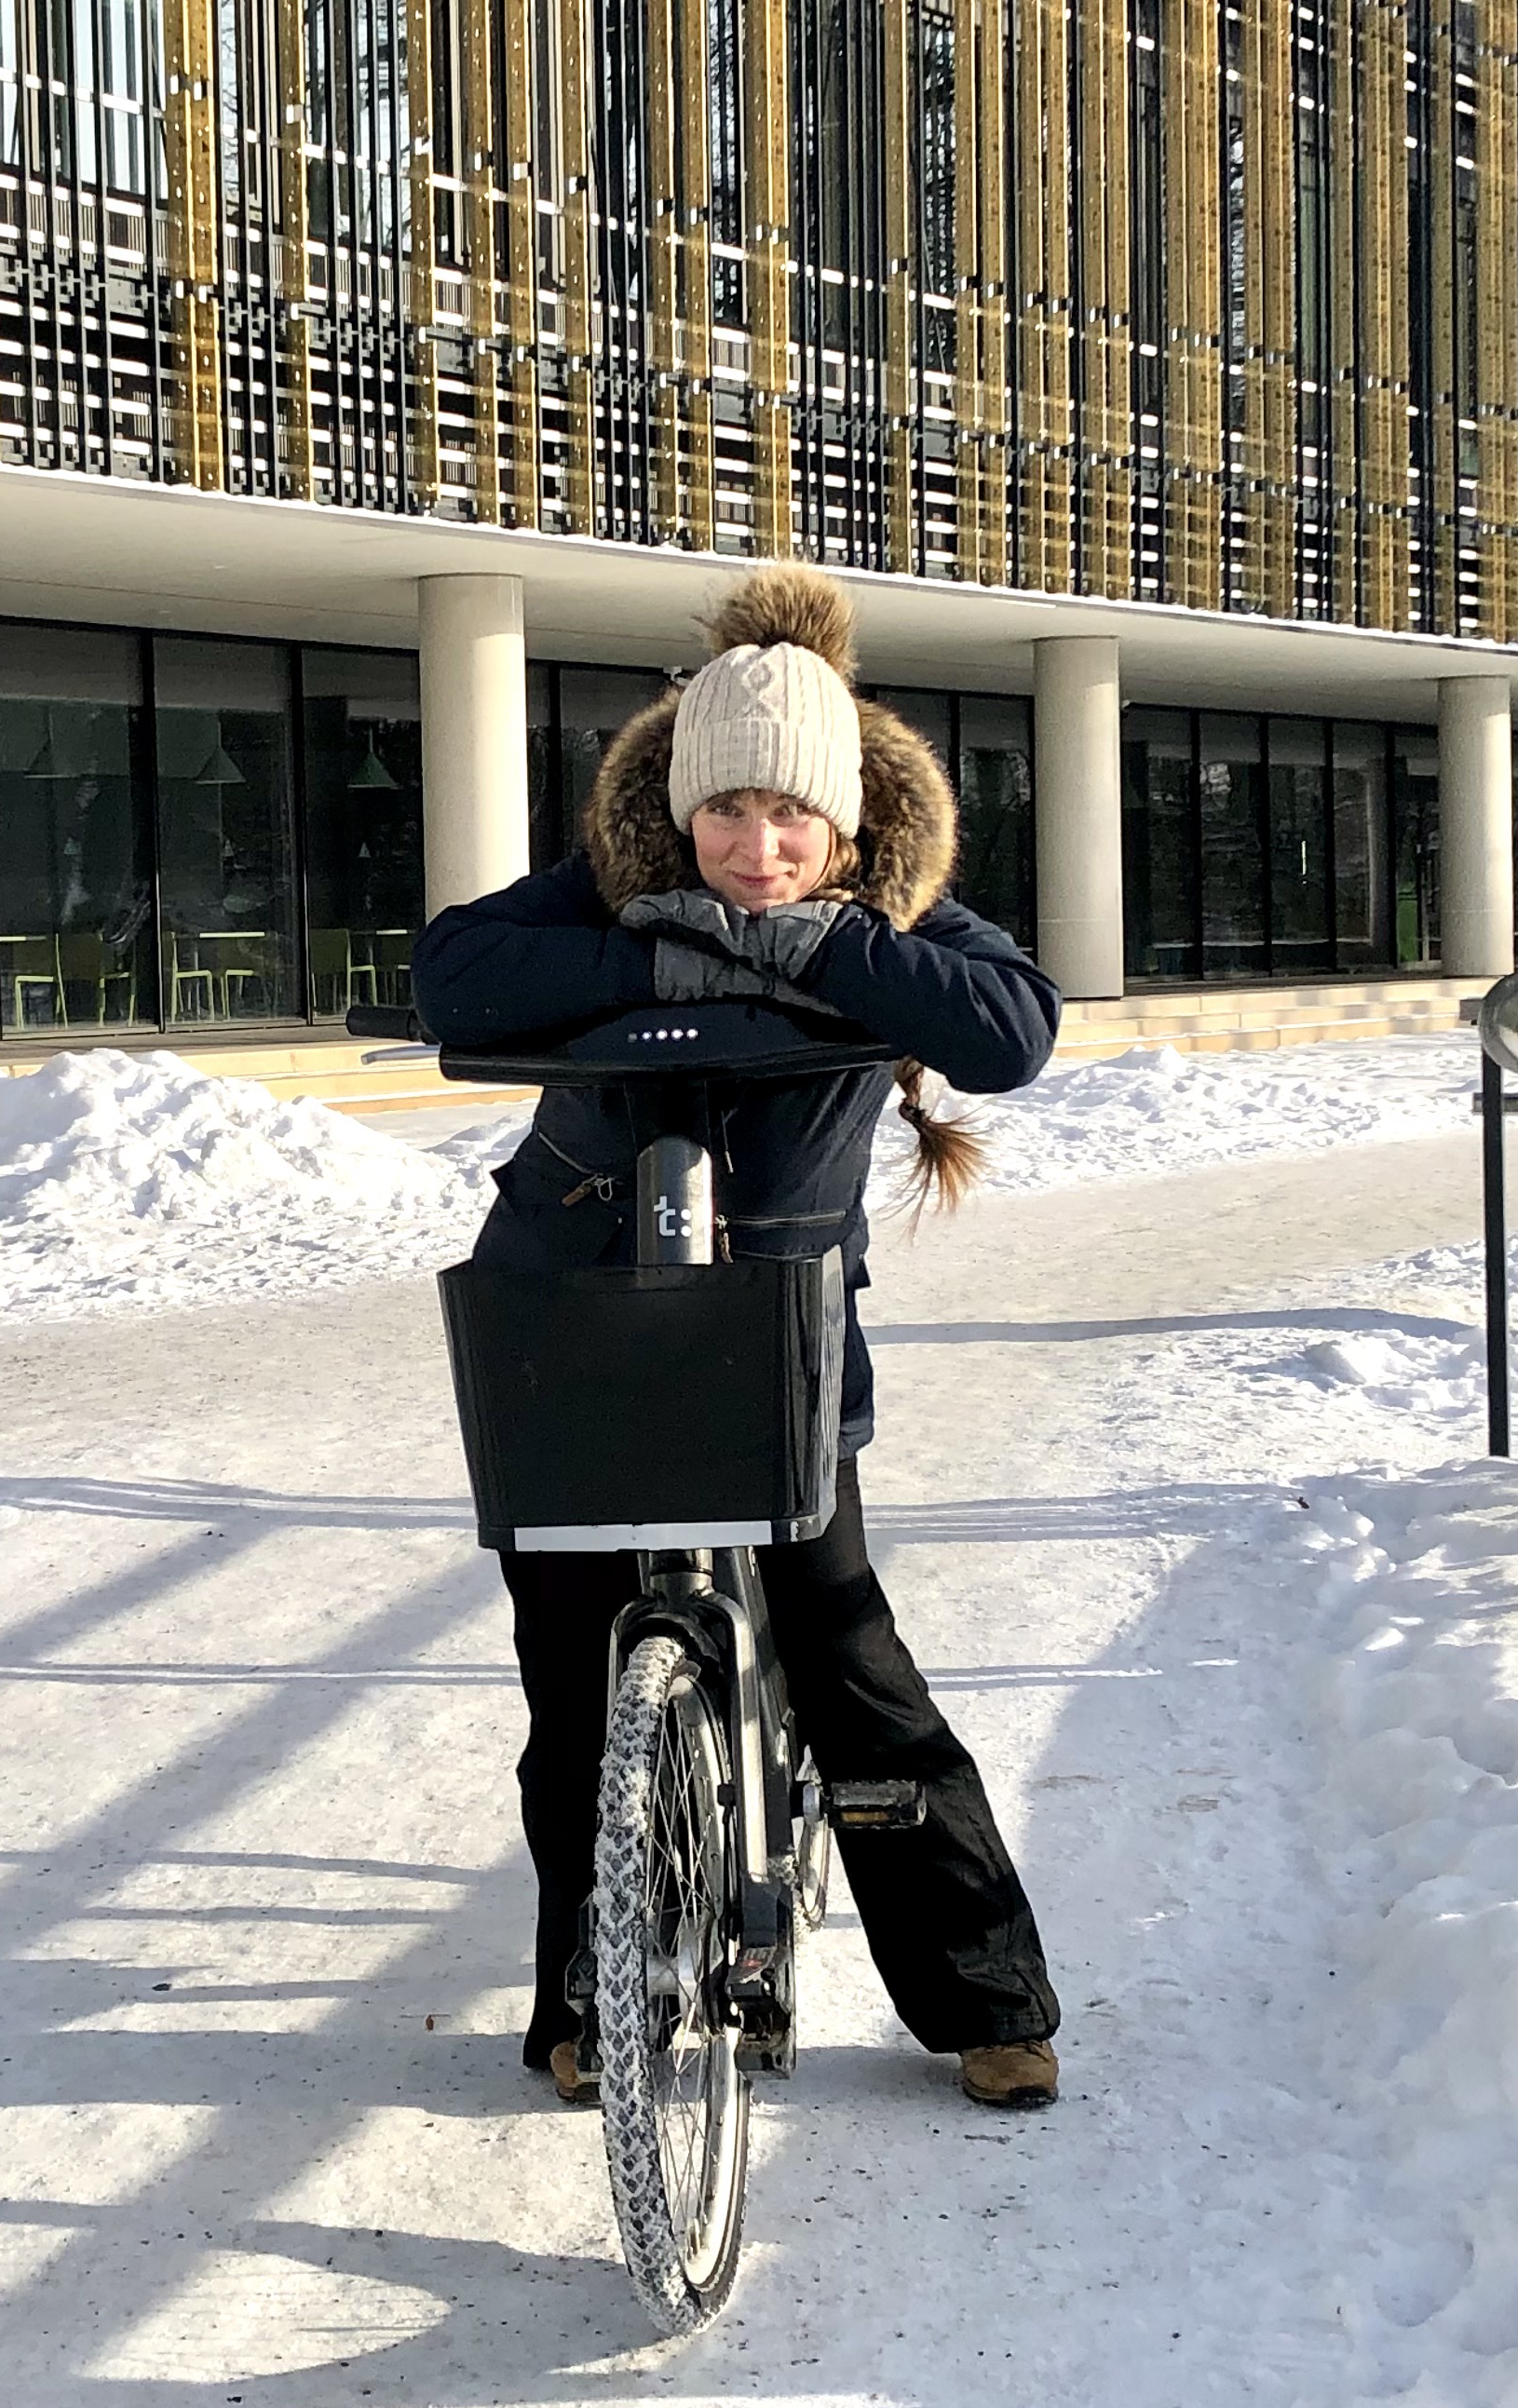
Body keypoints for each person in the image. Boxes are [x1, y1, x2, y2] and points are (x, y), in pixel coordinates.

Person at [411, 563, 1066, 2115]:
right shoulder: (606, 882)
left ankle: (984, 1996)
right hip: (571, 1325)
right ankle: (591, 1993)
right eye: (725, 815)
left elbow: (1015, 1028)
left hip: (770, 1342)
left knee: (850, 1668)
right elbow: (453, 971)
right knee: (574, 1684)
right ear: (680, 809)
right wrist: (666, 948)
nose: (756, 850)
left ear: (843, 824)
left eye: (792, 821)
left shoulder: (884, 909)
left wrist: (813, 952)